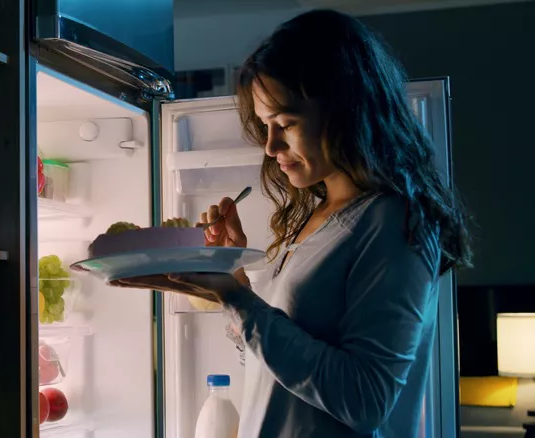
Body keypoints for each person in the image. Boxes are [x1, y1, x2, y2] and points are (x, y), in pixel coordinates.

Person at [111, 8, 473, 438]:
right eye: (266, 126)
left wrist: (236, 299)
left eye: (285, 124)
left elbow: (366, 400)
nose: (270, 146)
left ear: (345, 110)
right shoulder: (316, 219)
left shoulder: (393, 221)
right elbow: (280, 375)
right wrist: (235, 281)